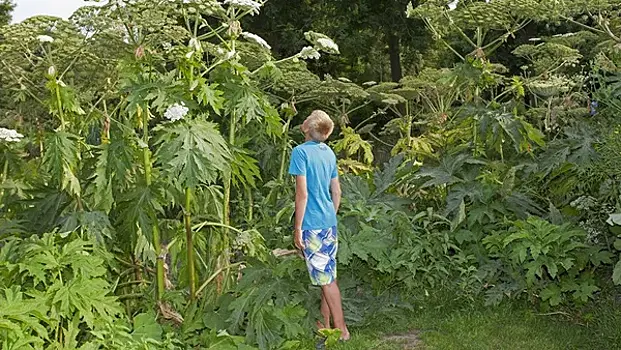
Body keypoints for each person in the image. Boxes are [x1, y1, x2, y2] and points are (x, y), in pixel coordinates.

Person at [288, 110, 350, 341]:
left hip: (312, 224)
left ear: (307, 128)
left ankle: (341, 329)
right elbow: (337, 191)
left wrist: (298, 228)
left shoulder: (300, 153)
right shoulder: (329, 153)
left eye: (307, 118)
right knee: (328, 275)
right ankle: (324, 322)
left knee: (326, 279)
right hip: (329, 222)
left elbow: (301, 194)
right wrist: (330, 214)